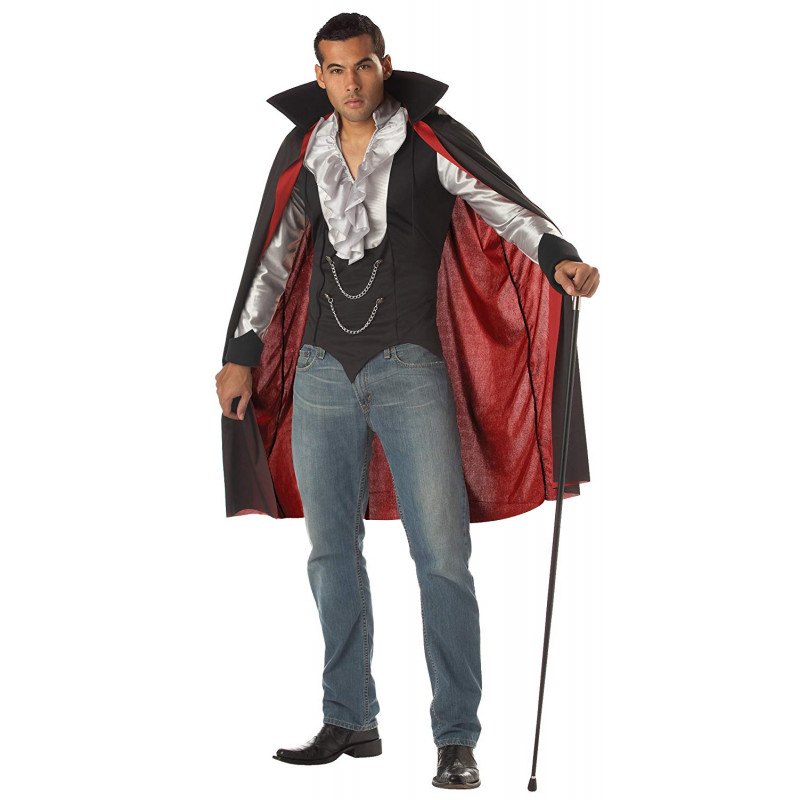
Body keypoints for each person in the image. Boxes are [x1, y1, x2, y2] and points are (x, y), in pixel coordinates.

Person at [215, 12, 599, 790]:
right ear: (319, 76)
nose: (350, 82)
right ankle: (350, 716)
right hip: (321, 370)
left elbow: (503, 206)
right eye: (335, 70)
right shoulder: (306, 149)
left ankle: (456, 737)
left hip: (409, 367)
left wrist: (559, 256)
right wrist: (239, 354)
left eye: (362, 66)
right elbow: (275, 256)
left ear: (384, 65)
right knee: (330, 553)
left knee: (443, 558)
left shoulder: (428, 141)